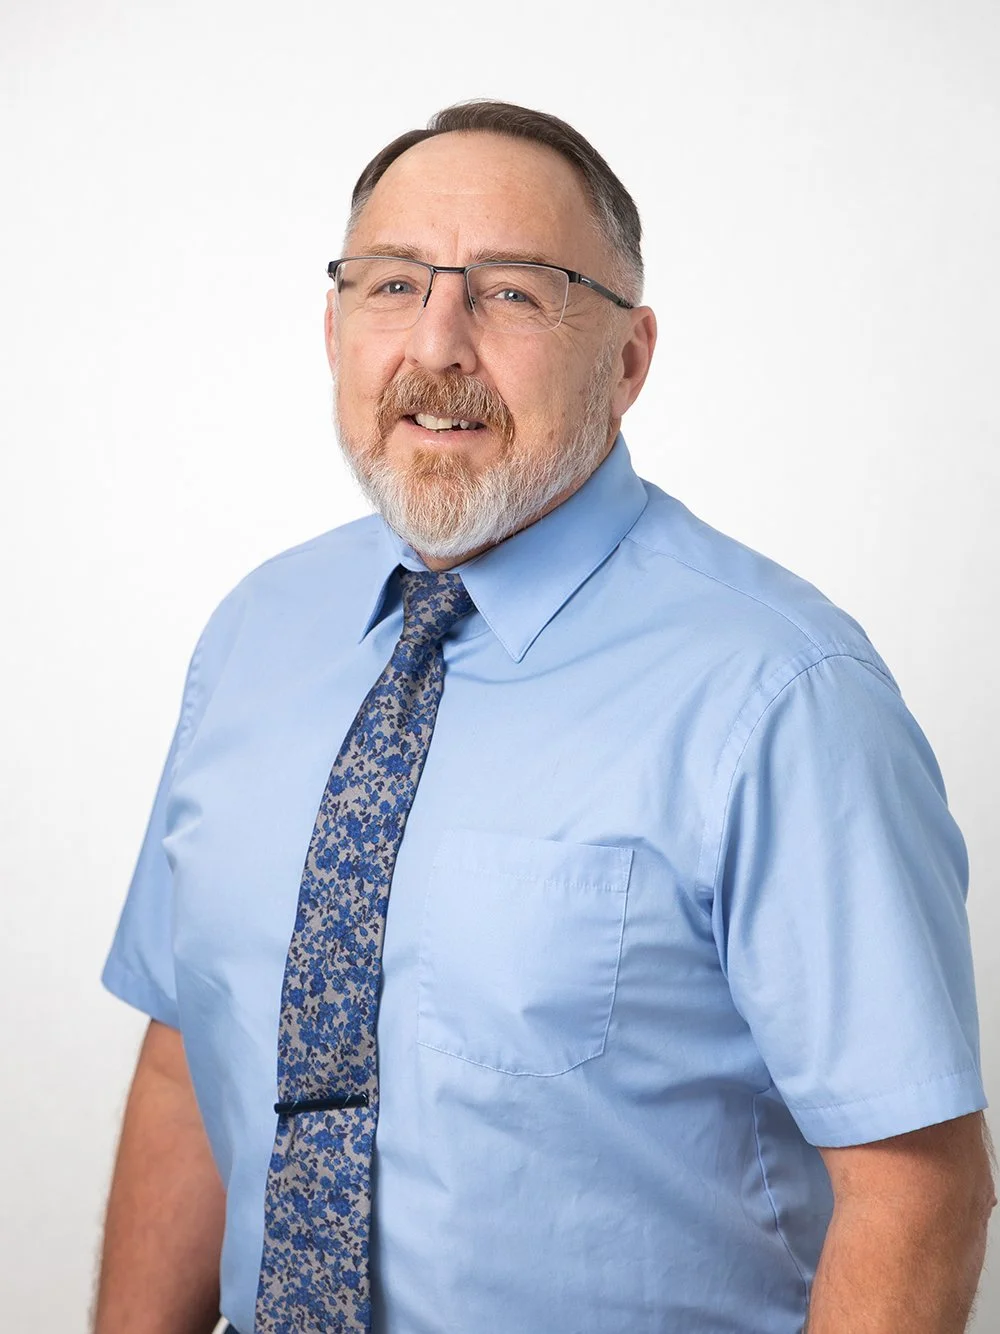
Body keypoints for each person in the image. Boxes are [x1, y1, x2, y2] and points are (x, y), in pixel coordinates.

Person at [94, 99, 995, 1334]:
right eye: (392, 284)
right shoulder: (256, 634)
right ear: (332, 327)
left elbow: (913, 1182)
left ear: (627, 359)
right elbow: (188, 1049)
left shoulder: (782, 693)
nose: (439, 342)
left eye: (512, 292)